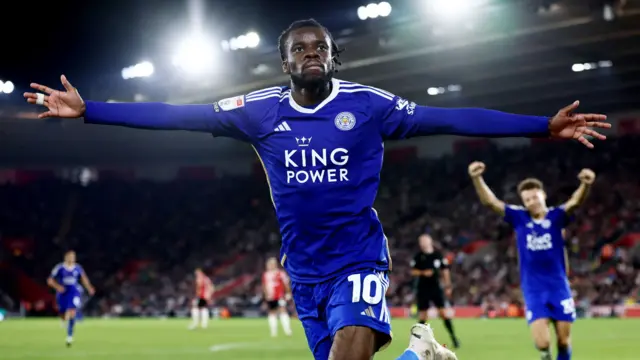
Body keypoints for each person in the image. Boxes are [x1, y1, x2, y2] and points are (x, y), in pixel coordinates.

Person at [25, 18, 609, 360]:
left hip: (358, 255)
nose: (311, 53)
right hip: (303, 272)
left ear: (332, 57)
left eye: (320, 47)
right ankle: (419, 353)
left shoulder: (369, 106)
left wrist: (542, 126)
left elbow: (453, 117)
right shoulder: (257, 113)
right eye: (299, 48)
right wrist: (90, 111)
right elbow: (178, 116)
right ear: (283, 63)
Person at [468, 161, 596, 360]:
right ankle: (545, 355)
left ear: (543, 195)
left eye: (534, 197)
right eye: (526, 199)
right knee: (542, 342)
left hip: (558, 286)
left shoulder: (556, 216)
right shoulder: (519, 217)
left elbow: (574, 203)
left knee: (563, 340)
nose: (531, 202)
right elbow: (491, 203)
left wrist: (585, 185)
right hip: (533, 288)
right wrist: (477, 178)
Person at [411, 234, 459, 348]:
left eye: (424, 241)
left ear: (430, 242)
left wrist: (448, 286)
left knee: (443, 313)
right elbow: (413, 272)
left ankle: (454, 338)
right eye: (421, 241)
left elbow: (445, 271)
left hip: (435, 288)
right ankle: (416, 341)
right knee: (423, 315)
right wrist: (423, 273)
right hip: (423, 289)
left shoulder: (438, 255)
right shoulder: (418, 256)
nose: (422, 244)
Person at [47, 250, 95, 347]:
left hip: (73, 292)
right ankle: (63, 319)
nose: (72, 259)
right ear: (66, 257)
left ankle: (70, 336)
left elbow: (83, 278)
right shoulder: (60, 268)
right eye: (70, 257)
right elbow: (50, 280)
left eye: (73, 257)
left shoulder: (77, 268)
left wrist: (89, 287)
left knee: (72, 311)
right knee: (63, 313)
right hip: (63, 292)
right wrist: (58, 287)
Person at [262, 256, 293, 337]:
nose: (270, 266)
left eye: (271, 264)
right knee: (272, 313)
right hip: (270, 297)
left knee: (283, 310)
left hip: (280, 296)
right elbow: (264, 286)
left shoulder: (280, 273)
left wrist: (288, 293)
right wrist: (265, 296)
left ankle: (287, 330)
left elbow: (286, 284)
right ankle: (273, 332)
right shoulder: (266, 274)